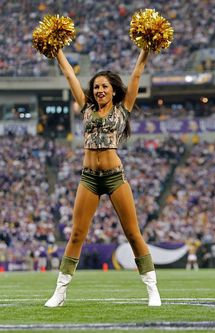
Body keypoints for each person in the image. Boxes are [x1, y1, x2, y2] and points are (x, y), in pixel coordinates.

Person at [44, 47, 161, 307]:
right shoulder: (85, 107)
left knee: (132, 233)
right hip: (89, 178)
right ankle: (60, 292)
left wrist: (145, 50)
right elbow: (68, 75)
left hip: (114, 177)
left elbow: (137, 75)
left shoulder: (123, 109)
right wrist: (59, 50)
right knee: (76, 235)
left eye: (105, 87)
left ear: (113, 90)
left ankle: (152, 289)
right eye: (96, 86)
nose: (100, 90)